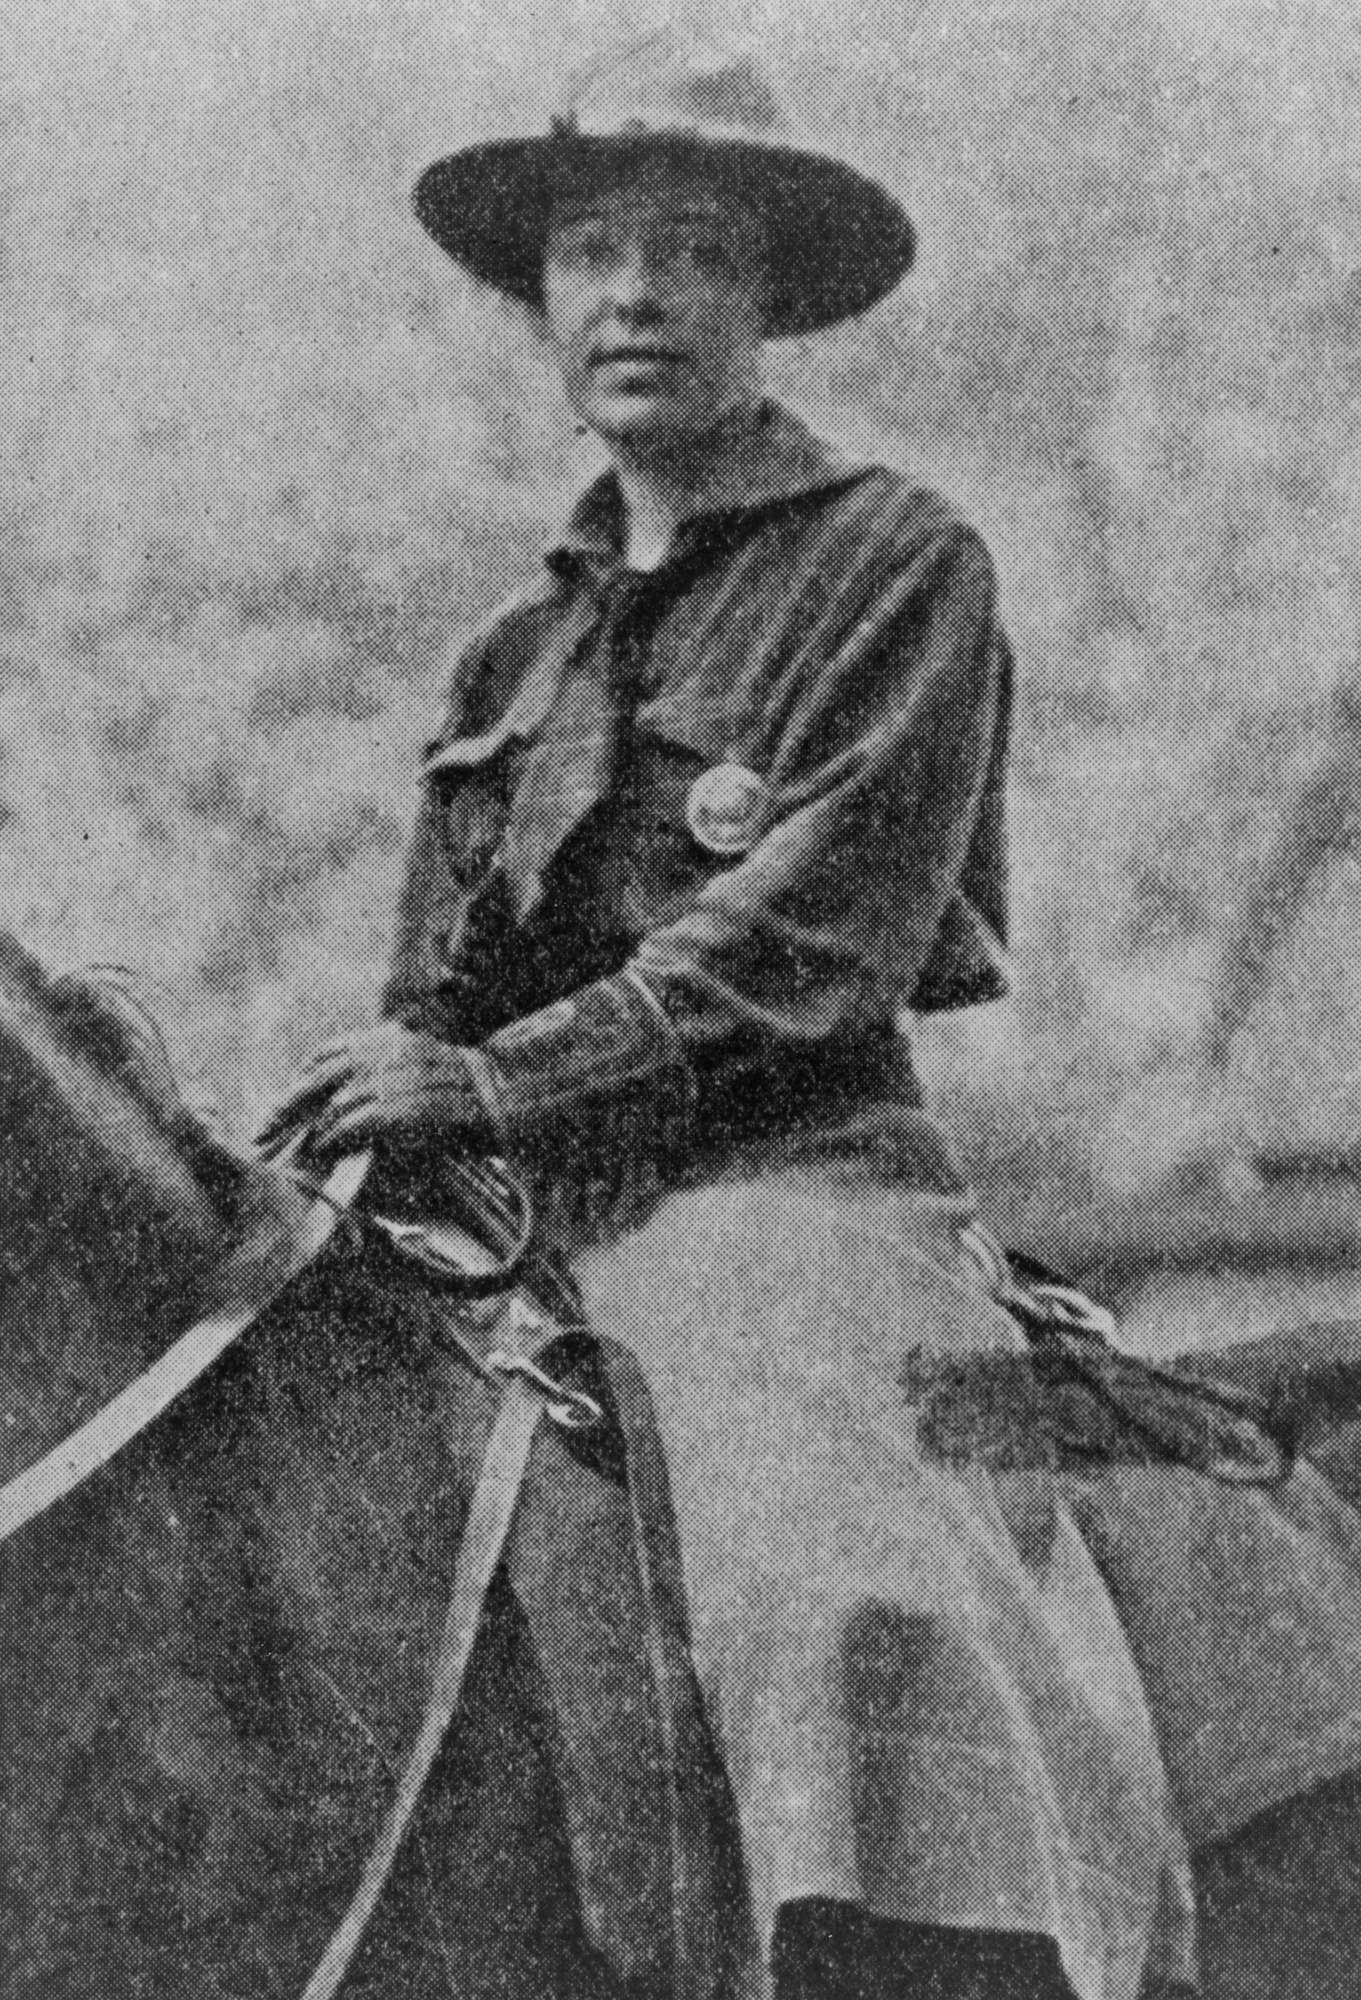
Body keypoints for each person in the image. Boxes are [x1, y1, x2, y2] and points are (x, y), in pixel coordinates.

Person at [259, 40, 1198, 2000]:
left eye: (693, 251)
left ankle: (932, 1963)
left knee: (822, 1578)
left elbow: (809, 938)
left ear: (767, 295)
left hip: (793, 1188)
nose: (635, 295)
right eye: (594, 253)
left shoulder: (900, 563)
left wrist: (494, 1075)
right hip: (517, 1210)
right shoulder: (516, 647)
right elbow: (439, 972)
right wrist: (379, 1109)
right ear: (545, 301)